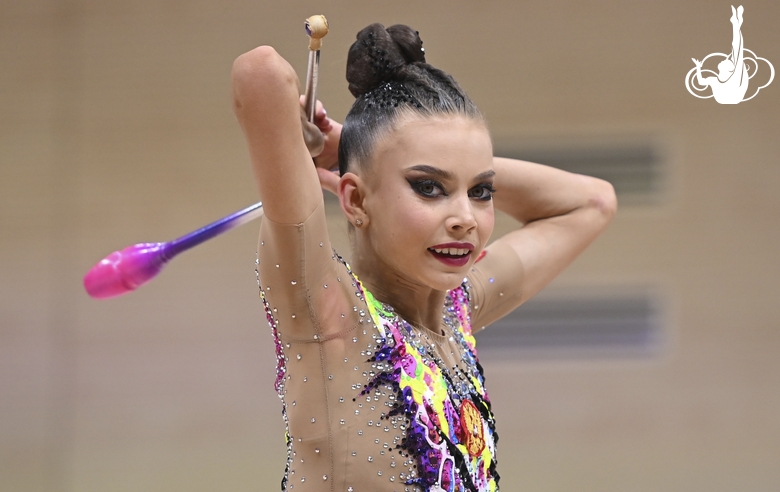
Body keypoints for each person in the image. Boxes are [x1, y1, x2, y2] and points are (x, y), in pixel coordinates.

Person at [231, 23, 616, 491]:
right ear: (354, 201)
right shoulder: (329, 314)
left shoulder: (458, 312)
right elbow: (260, 74)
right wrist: (349, 149)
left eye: (481, 191)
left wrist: (358, 151)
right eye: (428, 187)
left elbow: (593, 203)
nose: (464, 219)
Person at [692, 5, 748, 104]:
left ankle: (736, 24)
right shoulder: (717, 79)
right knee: (737, 52)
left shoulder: (727, 78)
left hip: (731, 97)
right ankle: (736, 23)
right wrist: (698, 67)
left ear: (729, 69)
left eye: (726, 61)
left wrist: (698, 67)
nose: (724, 59)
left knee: (737, 51)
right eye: (728, 60)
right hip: (731, 97)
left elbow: (737, 49)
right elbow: (701, 82)